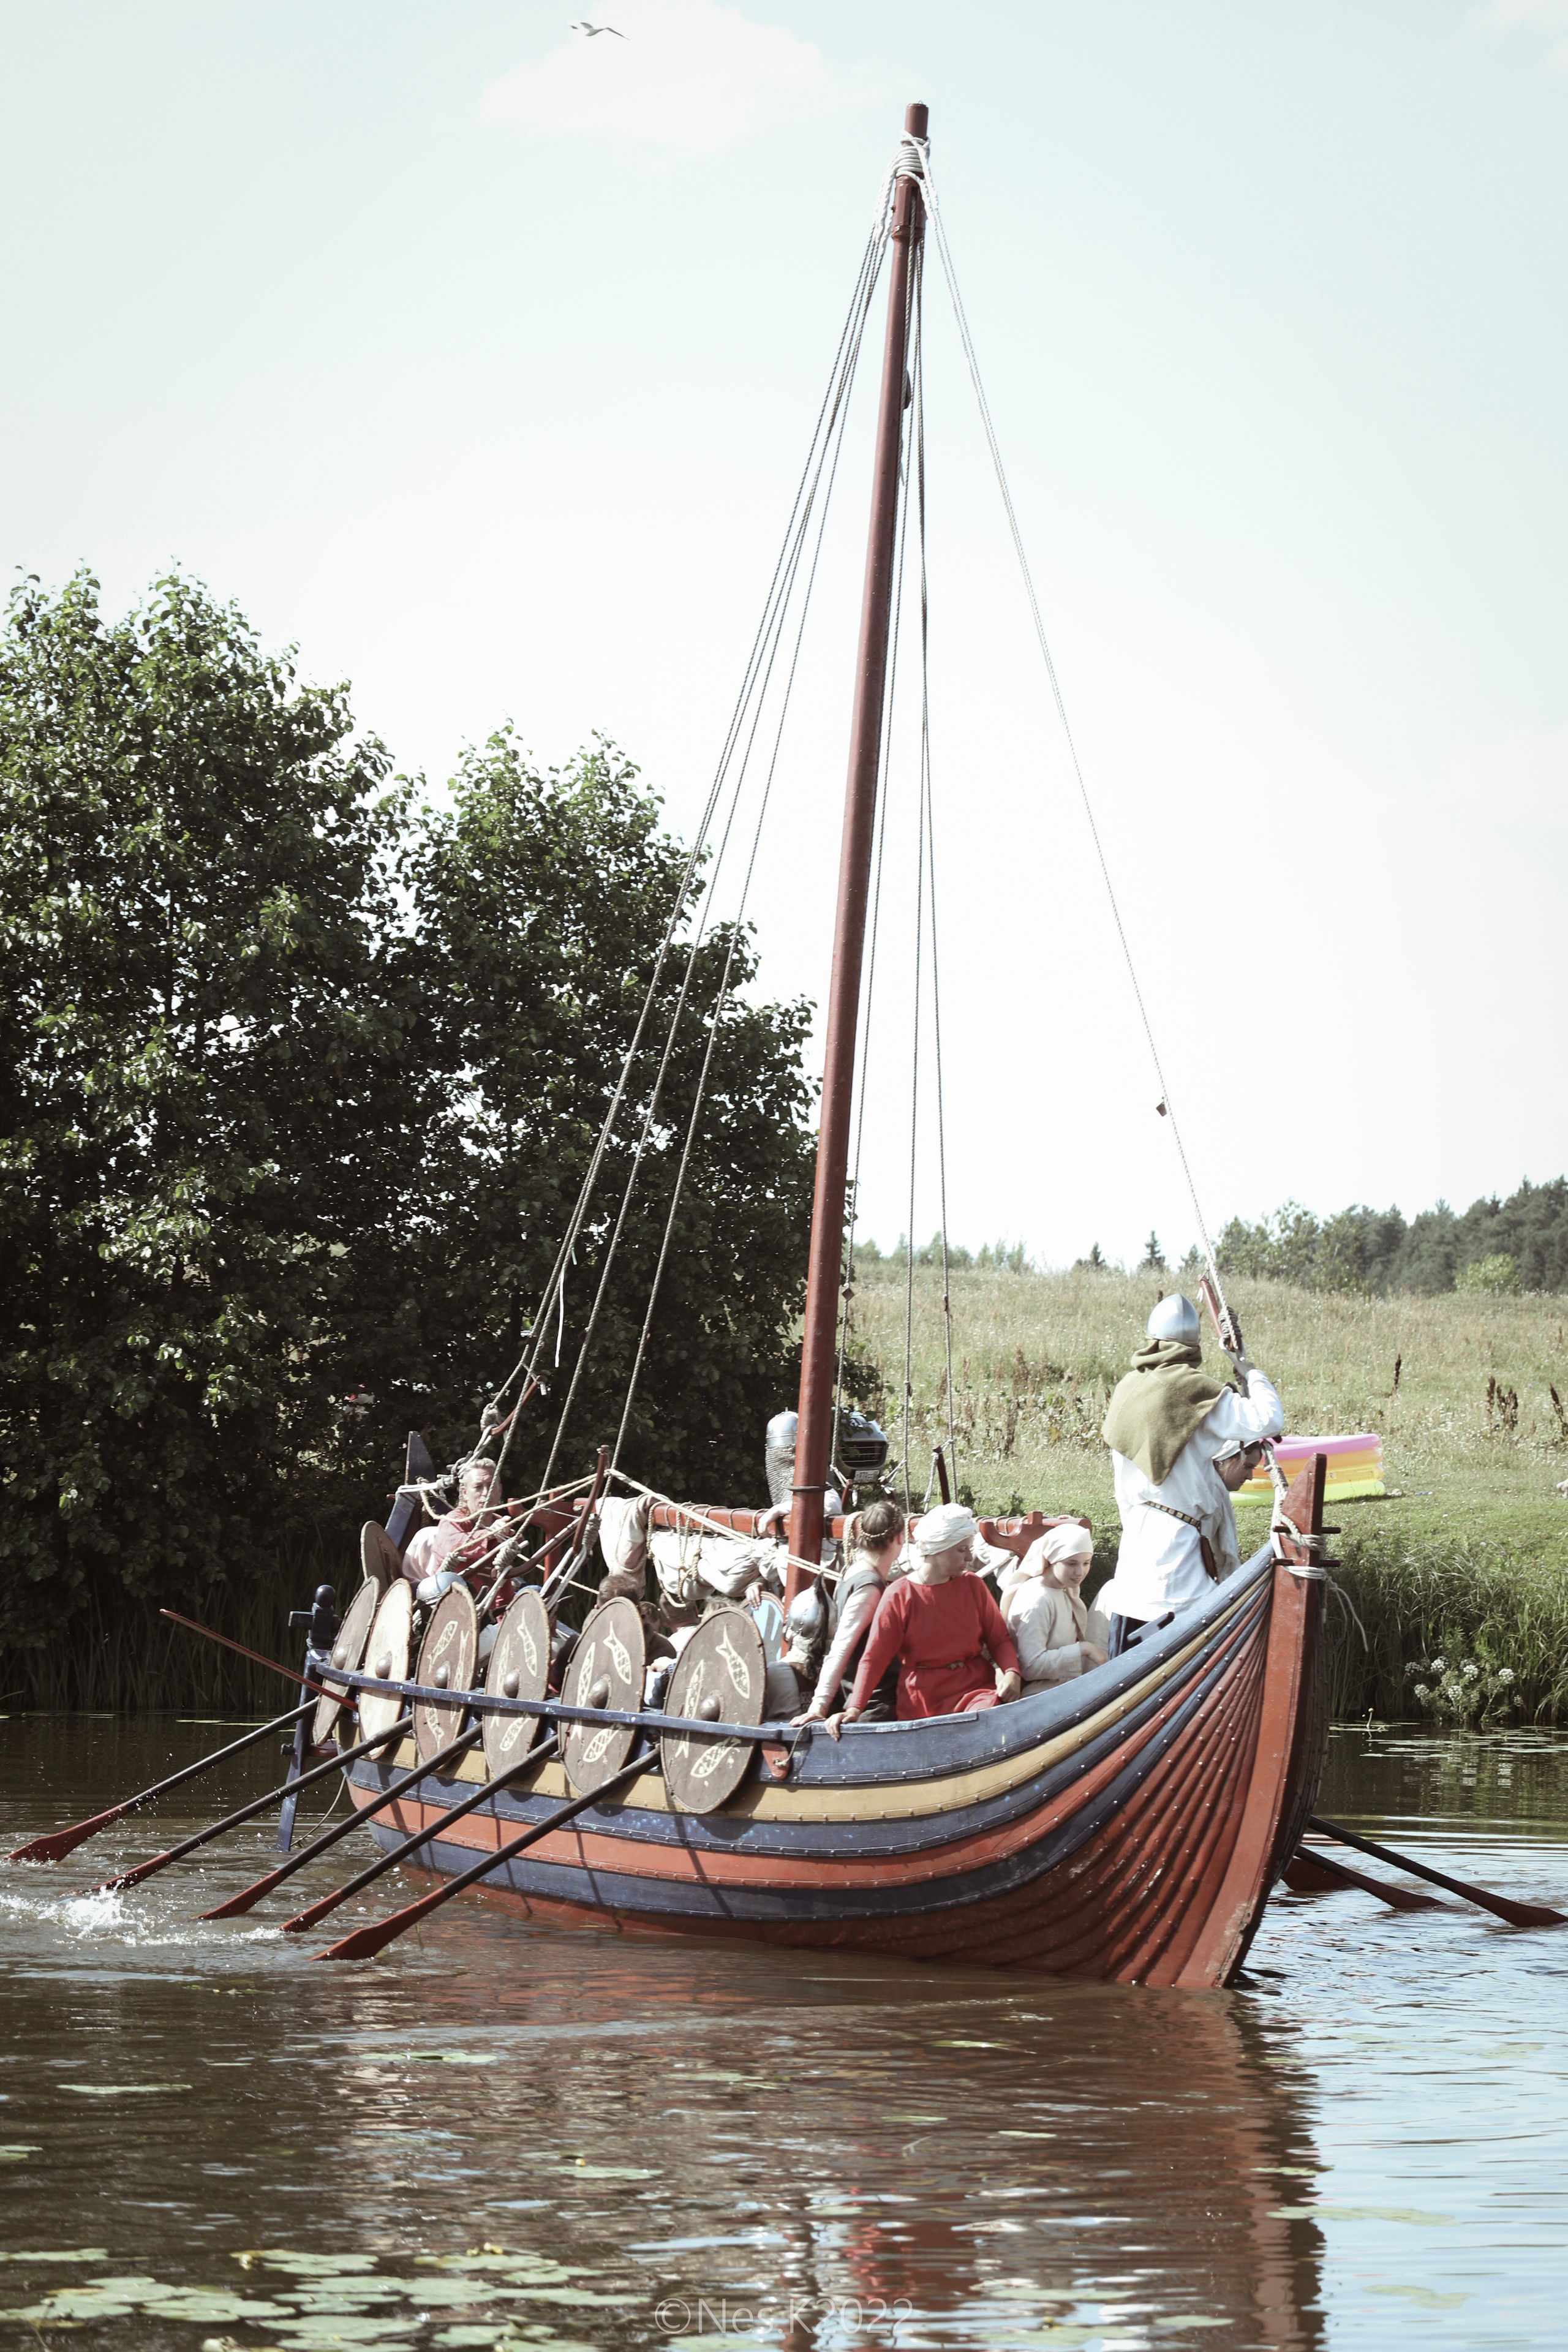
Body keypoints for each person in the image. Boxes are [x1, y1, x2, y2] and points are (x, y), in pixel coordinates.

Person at [1098, 1293, 1282, 1655]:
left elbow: (1121, 1486)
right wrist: (1251, 1372)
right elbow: (1268, 1419)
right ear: (1194, 1348)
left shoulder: (1126, 1391)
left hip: (1137, 1538)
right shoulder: (1195, 1391)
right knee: (1187, 1646)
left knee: (1128, 1655)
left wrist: (1137, 1525)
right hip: (1177, 1549)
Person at [826, 1501, 1021, 1735]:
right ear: (937, 1550)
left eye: (969, 1548)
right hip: (923, 1700)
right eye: (962, 1550)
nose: (970, 1557)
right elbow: (874, 1658)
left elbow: (998, 1638)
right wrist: (855, 1707)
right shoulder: (899, 1595)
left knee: (986, 1722)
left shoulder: (974, 1586)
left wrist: (1012, 1672)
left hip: (974, 1689)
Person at [791, 1499, 907, 1730]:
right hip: (875, 1705)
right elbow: (841, 1647)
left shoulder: (853, 1571)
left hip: (870, 1699)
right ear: (899, 1538)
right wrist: (819, 1707)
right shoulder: (869, 1587)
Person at [999, 1521, 1110, 1691]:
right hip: (1042, 1693)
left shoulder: (1064, 1589)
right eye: (1071, 1564)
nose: (1080, 1572)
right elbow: (1030, 1667)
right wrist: (1083, 1649)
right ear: (1052, 1559)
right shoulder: (1036, 1600)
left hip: (1062, 1685)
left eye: (1086, 1563)